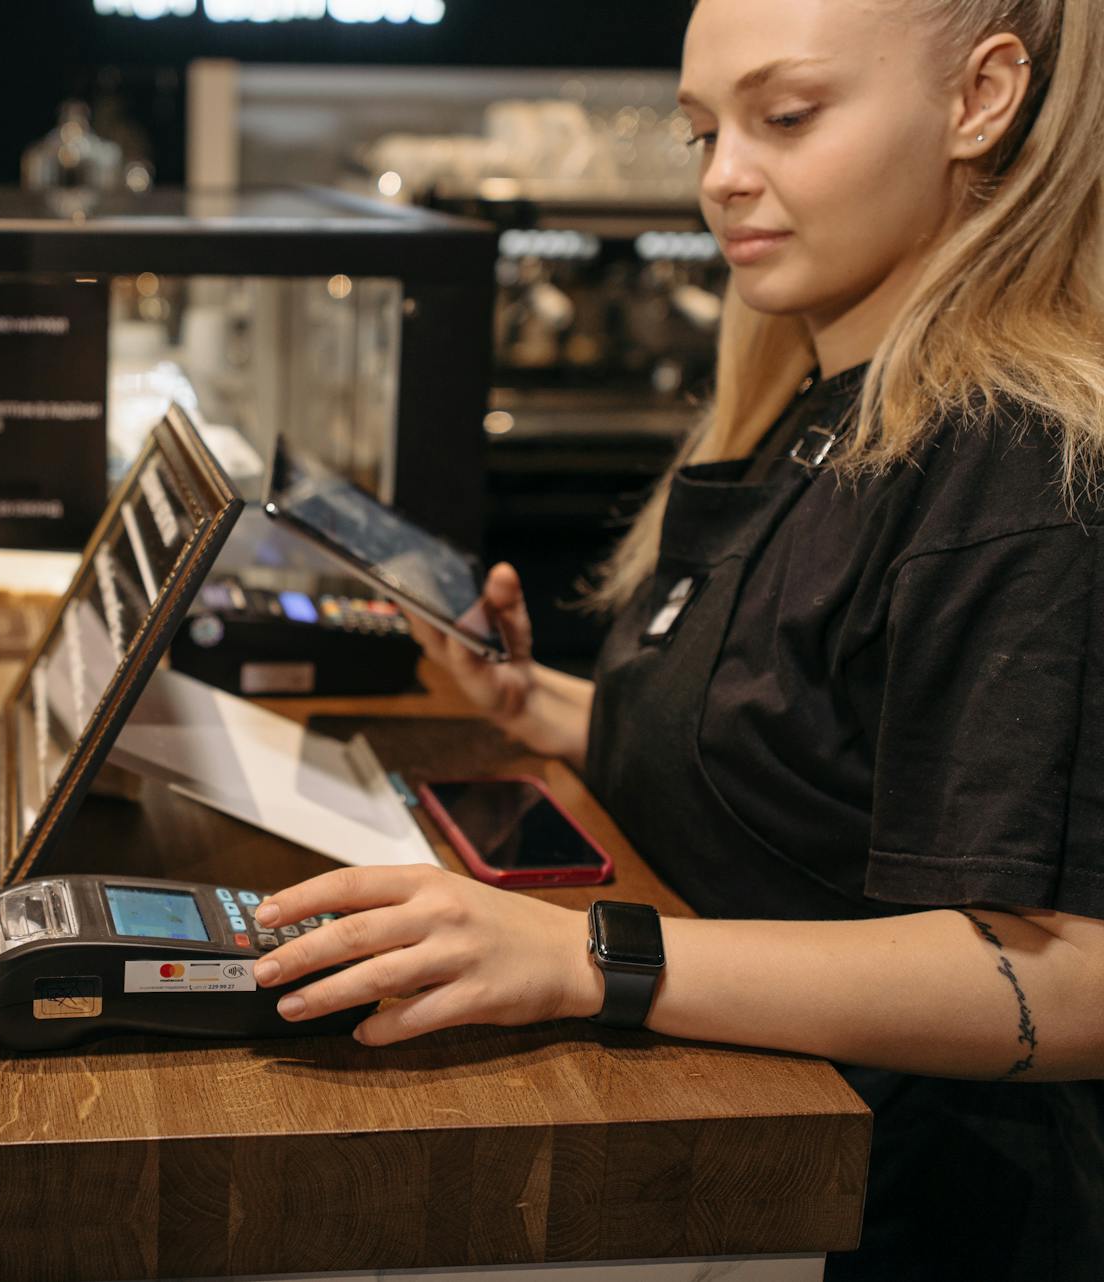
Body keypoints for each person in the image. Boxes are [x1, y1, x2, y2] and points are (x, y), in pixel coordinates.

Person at [248, 1, 1104, 1277]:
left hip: (903, 1204)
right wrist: (536, 704)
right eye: (704, 131)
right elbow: (816, 772)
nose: (721, 178)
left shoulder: (1022, 466)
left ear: (981, 99)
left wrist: (587, 955)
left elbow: (1072, 984)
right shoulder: (814, 400)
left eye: (787, 117)